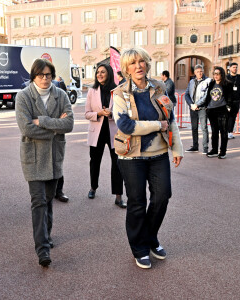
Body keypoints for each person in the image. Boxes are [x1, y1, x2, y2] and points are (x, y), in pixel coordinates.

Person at [113, 47, 183, 269]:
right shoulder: (120, 93)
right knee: (137, 202)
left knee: (162, 196)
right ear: (126, 68)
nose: (138, 66)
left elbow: (169, 119)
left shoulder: (159, 87)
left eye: (142, 61)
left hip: (159, 153)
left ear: (147, 64)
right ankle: (140, 248)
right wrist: (156, 125)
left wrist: (177, 148)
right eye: (133, 63)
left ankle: (150, 238)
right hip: (131, 156)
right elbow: (125, 125)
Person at [15, 58, 74, 267]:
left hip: (54, 157)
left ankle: (46, 236)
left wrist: (45, 122)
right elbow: (26, 128)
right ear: (34, 76)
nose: (45, 79)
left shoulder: (61, 95)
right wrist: (55, 128)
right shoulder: (23, 97)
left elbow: (69, 124)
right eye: (41, 75)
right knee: (38, 201)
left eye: (48, 75)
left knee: (48, 200)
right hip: (33, 158)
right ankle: (42, 250)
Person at [85, 63, 126, 209]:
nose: (100, 74)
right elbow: (87, 114)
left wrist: (112, 114)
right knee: (95, 162)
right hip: (97, 132)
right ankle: (93, 187)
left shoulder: (117, 91)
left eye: (103, 72)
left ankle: (118, 196)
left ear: (109, 73)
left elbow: (123, 113)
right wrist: (99, 114)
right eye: (98, 72)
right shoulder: (92, 91)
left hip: (113, 131)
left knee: (117, 163)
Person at [196, 67, 233, 159]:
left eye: (218, 73)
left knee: (223, 132)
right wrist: (207, 107)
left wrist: (228, 107)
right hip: (212, 110)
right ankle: (214, 150)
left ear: (222, 74)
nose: (215, 75)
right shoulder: (212, 83)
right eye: (214, 73)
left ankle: (223, 151)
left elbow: (230, 97)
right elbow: (208, 96)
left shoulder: (227, 84)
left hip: (222, 110)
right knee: (214, 131)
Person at [184, 64, 211, 154]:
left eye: (201, 71)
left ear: (203, 71)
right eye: (198, 72)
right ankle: (195, 146)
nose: (200, 73)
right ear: (195, 73)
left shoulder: (208, 81)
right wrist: (191, 104)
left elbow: (207, 96)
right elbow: (186, 94)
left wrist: (197, 104)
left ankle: (205, 148)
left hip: (202, 108)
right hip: (193, 108)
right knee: (194, 128)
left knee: (204, 128)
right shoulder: (191, 81)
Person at [226, 62, 240, 139]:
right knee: (228, 117)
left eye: (236, 67)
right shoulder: (226, 77)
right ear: (229, 68)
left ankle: (230, 132)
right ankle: (226, 132)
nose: (235, 69)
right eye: (233, 67)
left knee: (233, 117)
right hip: (228, 102)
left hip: (236, 101)